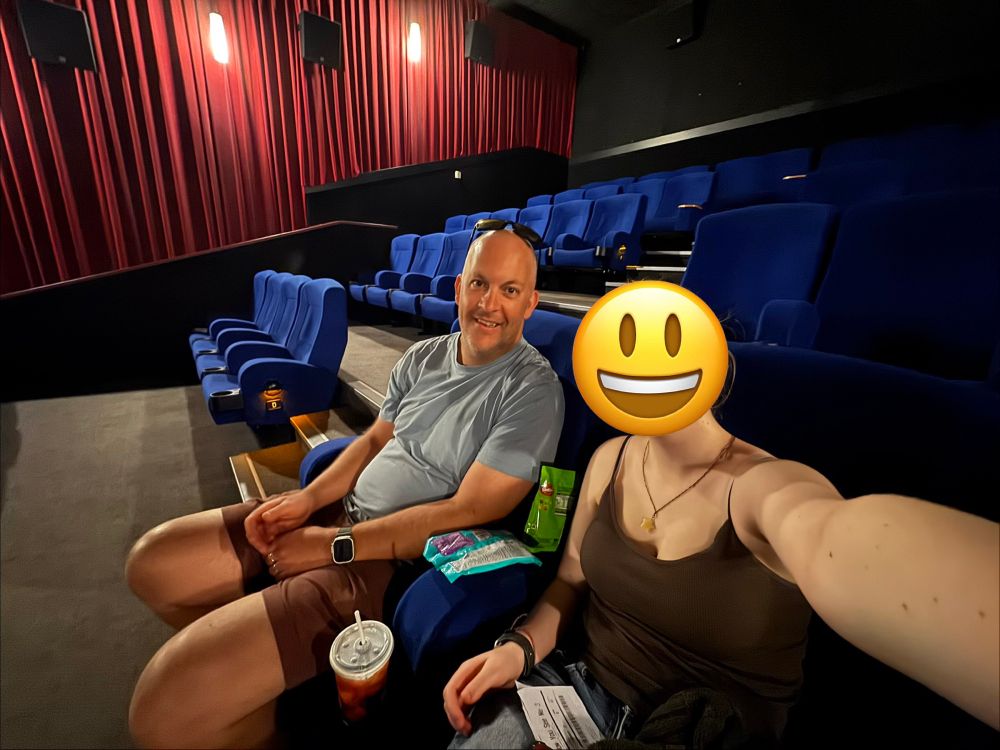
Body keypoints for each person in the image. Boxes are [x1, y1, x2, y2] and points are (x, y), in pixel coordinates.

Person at [125, 227, 565, 749]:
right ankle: (253, 680)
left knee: (163, 713)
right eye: (479, 284)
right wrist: (308, 502)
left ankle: (285, 714)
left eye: (510, 290)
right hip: (339, 514)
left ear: (531, 302)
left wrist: (334, 546)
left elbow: (468, 510)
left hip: (388, 562)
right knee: (154, 563)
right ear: (457, 289)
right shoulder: (424, 356)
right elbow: (373, 440)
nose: (490, 304)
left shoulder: (533, 390)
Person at [443, 407, 1000, 747]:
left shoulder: (767, 484)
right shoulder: (609, 458)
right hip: (572, 692)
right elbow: (569, 583)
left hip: (707, 731)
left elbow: (832, 534)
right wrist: (518, 647)